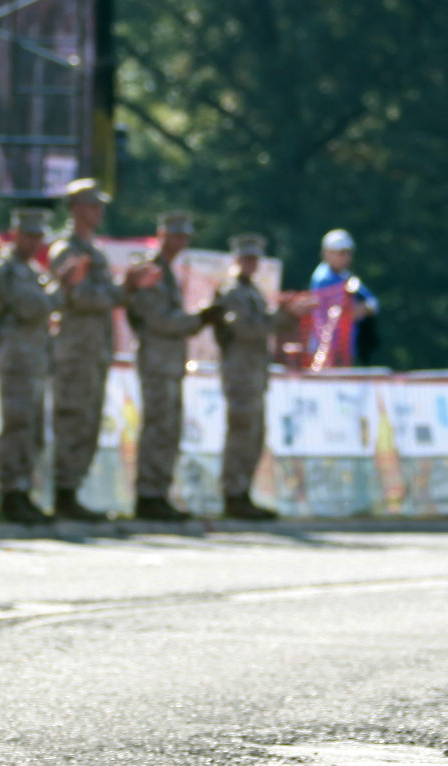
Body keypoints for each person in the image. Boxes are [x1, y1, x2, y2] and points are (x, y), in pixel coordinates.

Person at [120, 211, 208, 523]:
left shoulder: (167, 270)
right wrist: (198, 319)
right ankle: (148, 495)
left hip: (168, 361)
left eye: (184, 236)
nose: (180, 241)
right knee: (158, 425)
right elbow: (157, 320)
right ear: (161, 234)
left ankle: (159, 492)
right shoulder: (152, 269)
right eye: (175, 234)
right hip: (157, 360)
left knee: (168, 427)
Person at [42, 180, 119, 523]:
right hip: (76, 350)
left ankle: (74, 490)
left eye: (99, 205)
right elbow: (82, 297)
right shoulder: (66, 249)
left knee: (88, 419)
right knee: (72, 417)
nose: (97, 212)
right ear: (75, 209)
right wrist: (120, 292)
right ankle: (63, 491)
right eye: (91, 205)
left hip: (95, 349)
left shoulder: (96, 251)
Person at [0, 208, 61, 528]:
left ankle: (24, 489)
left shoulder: (30, 270)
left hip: (33, 359)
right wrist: (62, 286)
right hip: (17, 358)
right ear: (15, 234)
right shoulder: (6, 269)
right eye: (28, 235)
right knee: (17, 425)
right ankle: (11, 492)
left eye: (38, 236)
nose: (34, 242)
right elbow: (33, 307)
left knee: (31, 427)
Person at [210, 234, 282, 521]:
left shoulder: (252, 291)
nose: (251, 263)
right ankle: (233, 494)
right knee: (241, 432)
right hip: (240, 373)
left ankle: (243, 493)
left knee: (254, 434)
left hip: (254, 374)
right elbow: (246, 330)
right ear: (236, 259)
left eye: (255, 258)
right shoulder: (232, 292)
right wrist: (282, 318)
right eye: (246, 258)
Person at [303, 230, 379, 367]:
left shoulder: (346, 276)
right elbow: (344, 313)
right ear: (327, 253)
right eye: (340, 253)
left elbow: (373, 303)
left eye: (347, 253)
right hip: (325, 349)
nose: (345, 257)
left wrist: (361, 309)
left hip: (343, 349)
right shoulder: (323, 278)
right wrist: (360, 309)